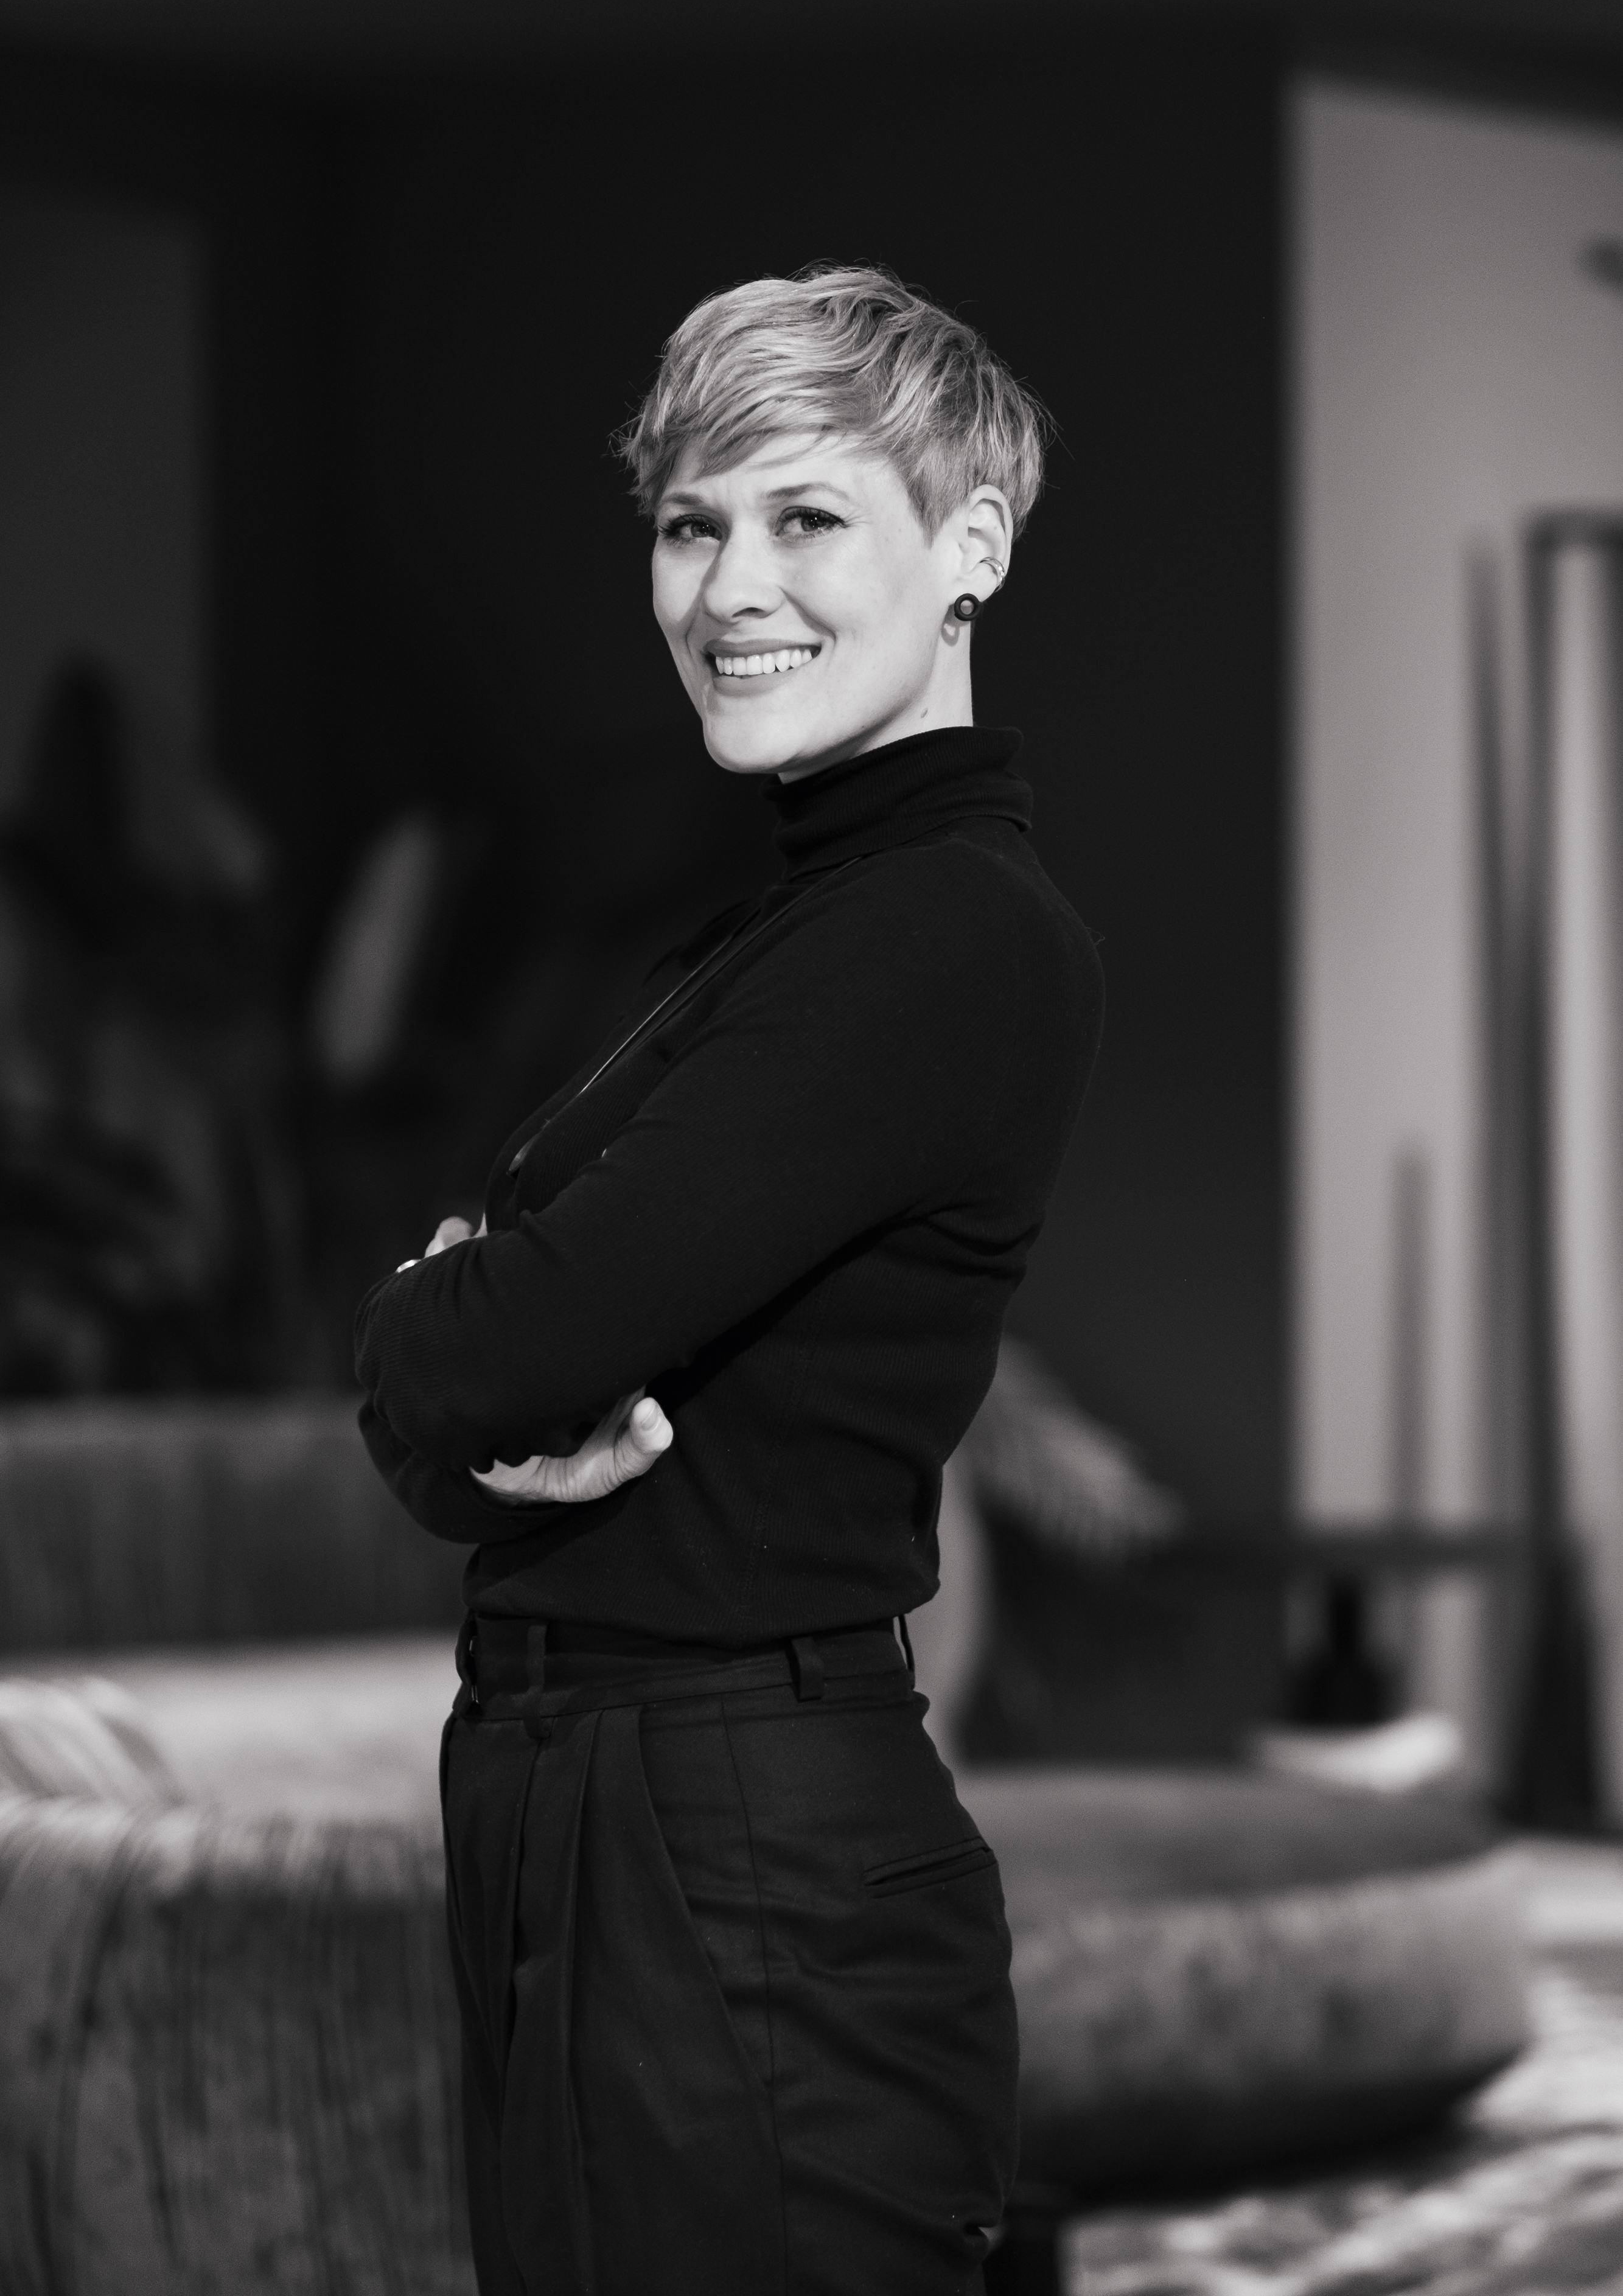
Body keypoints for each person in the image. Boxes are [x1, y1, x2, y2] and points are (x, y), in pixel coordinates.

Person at [354, 265, 1105, 2296]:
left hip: (739, 1847)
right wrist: (452, 1377)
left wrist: (434, 1336)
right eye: (691, 526)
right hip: (597, 1813)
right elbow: (465, 1405)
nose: (729, 587)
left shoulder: (940, 933)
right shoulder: (779, 932)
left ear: (971, 546)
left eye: (805, 518)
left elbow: (496, 1344)